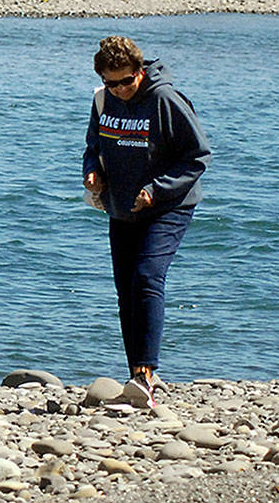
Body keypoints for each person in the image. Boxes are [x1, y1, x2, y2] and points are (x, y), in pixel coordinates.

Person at [82, 36, 211, 408]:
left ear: (139, 72)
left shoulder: (165, 100)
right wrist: (92, 172)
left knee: (147, 277)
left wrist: (157, 189)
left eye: (126, 81)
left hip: (168, 205)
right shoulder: (103, 100)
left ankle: (145, 373)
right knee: (126, 291)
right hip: (122, 206)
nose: (120, 89)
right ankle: (136, 377)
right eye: (111, 83)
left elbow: (198, 156)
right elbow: (93, 145)